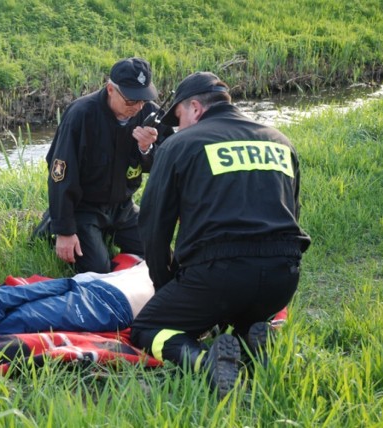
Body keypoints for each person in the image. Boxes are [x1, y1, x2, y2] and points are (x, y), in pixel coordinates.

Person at [129, 72, 312, 398]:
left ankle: (204, 363)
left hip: (218, 278)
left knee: (147, 328)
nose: (178, 126)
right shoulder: (280, 141)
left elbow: (154, 229)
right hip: (282, 280)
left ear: (195, 108)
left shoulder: (179, 144)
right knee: (242, 309)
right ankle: (251, 337)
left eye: (179, 117)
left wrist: (166, 289)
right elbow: (292, 215)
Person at [44, 57, 173, 273]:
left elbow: (168, 163)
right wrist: (65, 230)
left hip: (124, 206)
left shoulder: (148, 112)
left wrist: (146, 149)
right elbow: (60, 175)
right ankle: (51, 224)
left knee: (163, 256)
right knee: (98, 272)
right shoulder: (81, 115)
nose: (138, 106)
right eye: (131, 100)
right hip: (85, 208)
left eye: (143, 99)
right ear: (111, 89)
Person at [0, 260, 154, 350]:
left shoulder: (178, 282)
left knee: (28, 316)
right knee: (1, 296)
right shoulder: (153, 259)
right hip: (84, 285)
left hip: (107, 305)